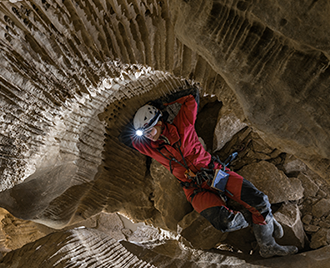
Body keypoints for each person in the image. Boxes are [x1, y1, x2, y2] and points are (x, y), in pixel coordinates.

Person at [122, 83, 297, 257]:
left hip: (215, 174)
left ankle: (267, 246)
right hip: (194, 189)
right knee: (225, 222)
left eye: (150, 130)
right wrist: (140, 124)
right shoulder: (151, 147)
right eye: (144, 134)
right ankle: (264, 219)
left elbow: (192, 95)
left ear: (160, 121)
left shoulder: (183, 125)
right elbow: (125, 136)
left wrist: (161, 103)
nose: (148, 136)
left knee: (260, 200)